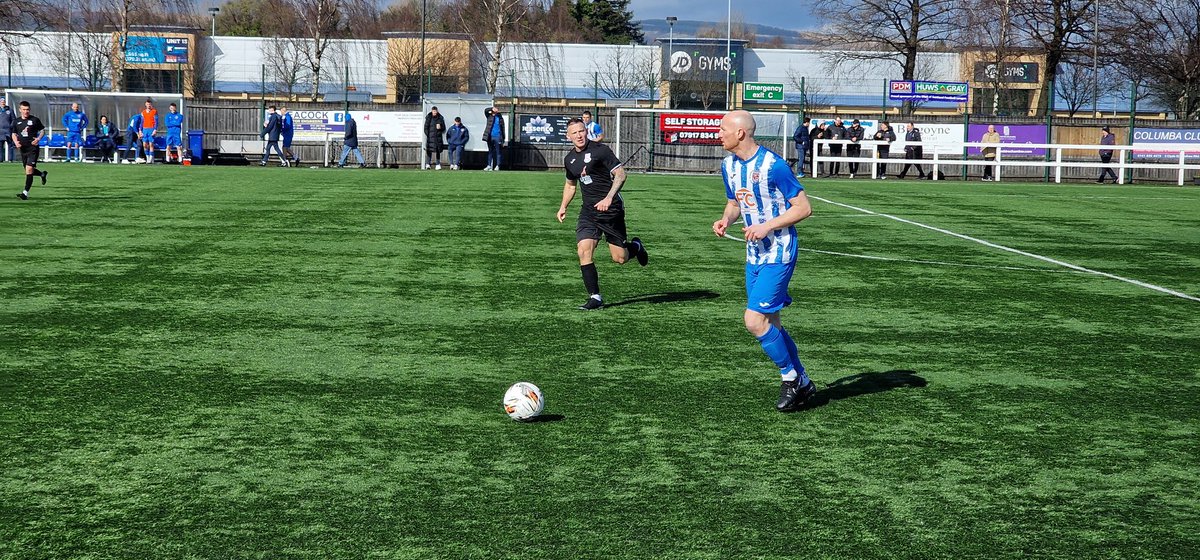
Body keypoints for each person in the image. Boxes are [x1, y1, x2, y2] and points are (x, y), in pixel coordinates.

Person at [711, 110, 816, 411]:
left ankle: (790, 377)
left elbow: (804, 207)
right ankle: (805, 384)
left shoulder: (774, 166)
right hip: (753, 254)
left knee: (754, 320)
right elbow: (735, 203)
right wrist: (725, 220)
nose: (719, 134)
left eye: (722, 129)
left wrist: (768, 226)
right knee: (771, 322)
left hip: (779, 252)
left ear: (740, 133)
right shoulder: (728, 165)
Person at [556, 117, 649, 310]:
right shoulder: (569, 159)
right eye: (574, 133)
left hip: (611, 209)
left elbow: (621, 174)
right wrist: (563, 206)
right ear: (568, 136)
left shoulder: (601, 151)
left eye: (581, 131)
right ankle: (595, 297)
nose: (579, 135)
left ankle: (636, 247)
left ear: (586, 131)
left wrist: (608, 198)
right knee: (583, 250)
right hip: (588, 212)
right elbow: (570, 185)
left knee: (620, 258)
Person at [13, 101, 48, 200]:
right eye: (23, 109)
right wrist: (16, 142)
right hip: (23, 149)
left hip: (33, 149)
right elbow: (14, 133)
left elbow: (42, 130)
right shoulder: (16, 121)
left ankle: (25, 193)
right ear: (20, 110)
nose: (26, 111)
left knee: (29, 169)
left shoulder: (35, 120)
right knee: (28, 171)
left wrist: (38, 139)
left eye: (27, 109)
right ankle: (42, 174)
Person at [483, 105, 504, 171]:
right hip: (490, 136)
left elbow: (503, 129)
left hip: (497, 137)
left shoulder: (500, 118)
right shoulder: (489, 116)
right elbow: (485, 110)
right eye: (492, 111)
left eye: (495, 111)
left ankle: (497, 166)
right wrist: (491, 108)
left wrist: (503, 139)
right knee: (490, 151)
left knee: (498, 152)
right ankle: (489, 165)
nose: (493, 113)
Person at [139, 98, 158, 164]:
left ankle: (150, 158)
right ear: (145, 104)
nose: (148, 105)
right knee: (144, 145)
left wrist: (155, 129)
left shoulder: (154, 111)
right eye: (147, 104)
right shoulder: (143, 112)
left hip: (151, 128)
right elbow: (142, 122)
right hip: (145, 129)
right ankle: (147, 157)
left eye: (149, 104)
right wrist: (140, 130)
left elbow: (156, 121)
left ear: (151, 105)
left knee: (151, 144)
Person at [0, 97, 14, 163]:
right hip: (0, 131)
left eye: (4, 102)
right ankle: (0, 159)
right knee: (0, 146)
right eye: (1, 102)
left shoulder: (10, 110)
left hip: (8, 131)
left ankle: (10, 159)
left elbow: (14, 120)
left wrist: (10, 126)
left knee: (10, 145)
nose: (3, 103)